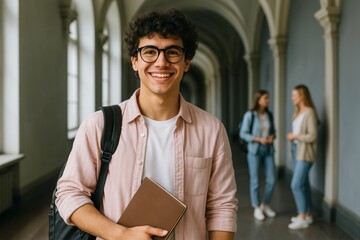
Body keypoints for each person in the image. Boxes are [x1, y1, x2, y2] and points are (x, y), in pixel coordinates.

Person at [55, 9, 238, 240]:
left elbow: (222, 206)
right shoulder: (99, 125)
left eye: (173, 52)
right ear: (134, 61)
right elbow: (70, 193)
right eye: (149, 52)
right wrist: (120, 234)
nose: (161, 62)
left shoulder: (211, 130)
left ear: (186, 63)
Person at [240, 90, 277, 221]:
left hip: (268, 149)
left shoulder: (269, 115)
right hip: (254, 150)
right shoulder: (250, 115)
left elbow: (273, 130)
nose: (268, 100)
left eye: (268, 98)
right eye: (266, 98)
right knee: (255, 181)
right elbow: (243, 133)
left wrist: (272, 136)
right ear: (258, 100)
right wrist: (258, 139)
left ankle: (265, 205)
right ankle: (256, 207)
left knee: (272, 179)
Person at [287, 84, 318, 230]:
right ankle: (308, 214)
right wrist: (293, 138)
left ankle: (302, 215)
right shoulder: (298, 112)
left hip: (305, 153)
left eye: (295, 95)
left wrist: (296, 136)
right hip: (297, 151)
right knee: (304, 184)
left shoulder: (310, 112)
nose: (292, 98)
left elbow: (312, 136)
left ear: (302, 96)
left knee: (296, 184)